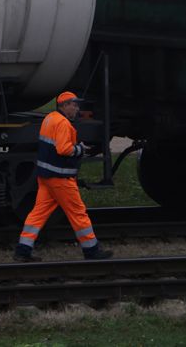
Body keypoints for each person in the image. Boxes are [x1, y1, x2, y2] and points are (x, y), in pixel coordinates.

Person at [14, 91, 113, 261]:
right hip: (61, 178)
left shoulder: (50, 118)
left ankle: (23, 250)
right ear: (64, 106)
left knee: (38, 213)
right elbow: (64, 149)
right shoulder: (63, 123)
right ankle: (92, 250)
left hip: (46, 177)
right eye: (73, 104)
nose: (77, 108)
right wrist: (80, 149)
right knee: (78, 213)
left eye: (76, 105)